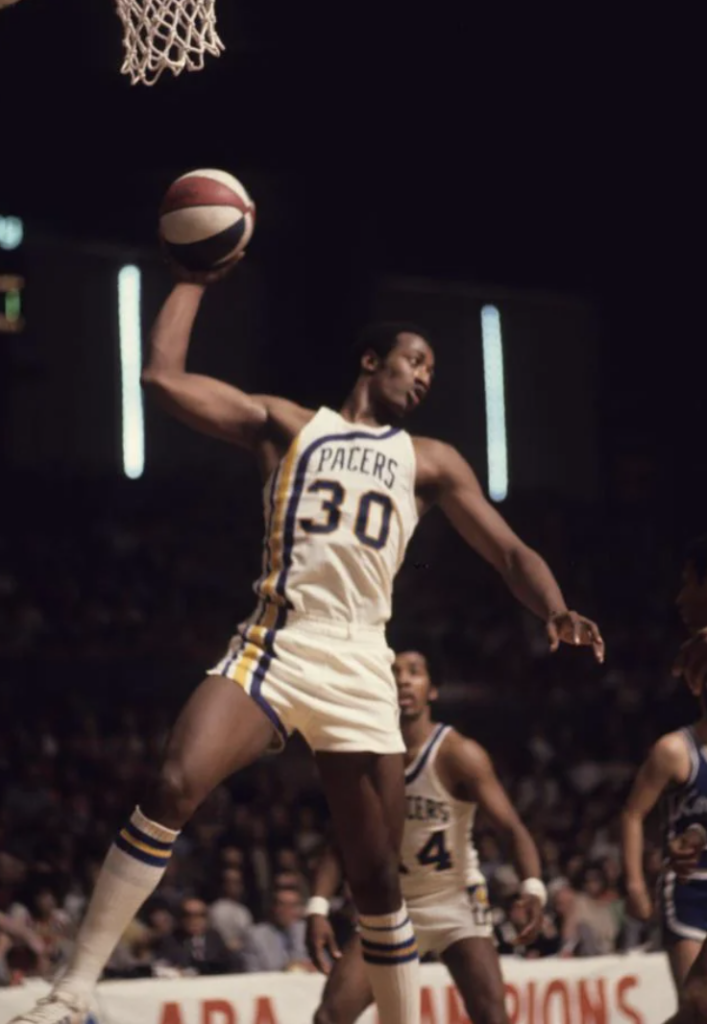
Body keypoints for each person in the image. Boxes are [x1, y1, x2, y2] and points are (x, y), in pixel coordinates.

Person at [13, 262, 603, 1024]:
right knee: (170, 785)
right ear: (370, 360)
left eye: (431, 369)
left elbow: (510, 552)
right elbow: (162, 379)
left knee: (376, 883)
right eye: (413, 359)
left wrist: (552, 607)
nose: (424, 376)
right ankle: (70, 992)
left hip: (363, 662)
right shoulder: (289, 424)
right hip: (277, 641)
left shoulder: (430, 460)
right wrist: (192, 276)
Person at [308, 649, 545, 1024]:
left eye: (414, 672)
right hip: (390, 906)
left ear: (431, 690)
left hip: (454, 901)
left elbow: (511, 828)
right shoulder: (365, 757)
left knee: (493, 1017)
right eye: (394, 672)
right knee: (329, 1016)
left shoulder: (458, 754)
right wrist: (317, 906)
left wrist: (532, 886)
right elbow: (343, 840)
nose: (403, 679)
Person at [622, 536, 707, 992]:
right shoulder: (675, 749)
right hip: (692, 888)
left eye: (686, 584)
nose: (678, 599)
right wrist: (636, 880)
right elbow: (633, 813)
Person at [242, 887, 312, 973]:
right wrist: (286, 970)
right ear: (272, 907)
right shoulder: (255, 935)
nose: (287, 910)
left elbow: (325, 964)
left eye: (293, 905)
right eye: (282, 905)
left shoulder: (308, 930)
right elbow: (252, 974)